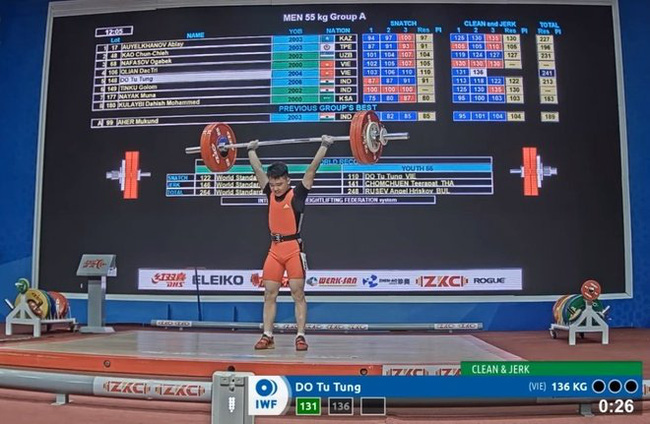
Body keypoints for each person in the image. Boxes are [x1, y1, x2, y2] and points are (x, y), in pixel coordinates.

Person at [247, 135, 334, 351]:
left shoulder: (298, 195)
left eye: (279, 184)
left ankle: (301, 336)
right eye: (273, 184)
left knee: (298, 293)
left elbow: (311, 171)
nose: (275, 188)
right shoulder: (269, 192)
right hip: (274, 250)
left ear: (287, 180)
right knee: (269, 293)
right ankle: (268, 335)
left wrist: (324, 146)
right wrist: (250, 151)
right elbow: (258, 171)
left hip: (293, 248)